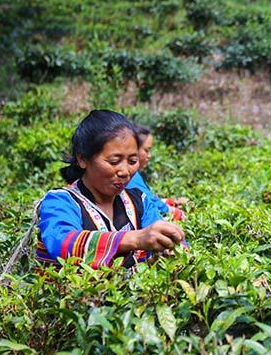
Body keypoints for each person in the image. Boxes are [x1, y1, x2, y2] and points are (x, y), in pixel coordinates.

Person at [36, 110, 185, 269]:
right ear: (82, 159)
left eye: (132, 161)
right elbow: (63, 242)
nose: (125, 171)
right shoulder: (60, 202)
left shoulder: (139, 202)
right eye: (114, 161)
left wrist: (173, 247)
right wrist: (136, 239)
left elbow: (160, 235)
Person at [126, 124, 187, 222]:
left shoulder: (135, 175)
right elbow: (148, 203)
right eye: (146, 150)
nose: (149, 155)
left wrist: (171, 202)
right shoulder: (130, 177)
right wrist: (174, 212)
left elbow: (148, 198)